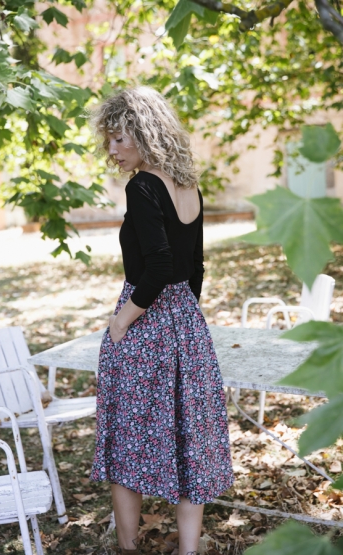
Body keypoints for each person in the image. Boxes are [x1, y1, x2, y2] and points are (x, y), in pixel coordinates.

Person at [89, 87, 234, 555]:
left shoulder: (143, 185)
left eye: (117, 139)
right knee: (189, 437)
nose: (112, 150)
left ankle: (128, 549)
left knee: (125, 439)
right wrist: (182, 318)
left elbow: (159, 266)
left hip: (144, 320)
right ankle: (188, 550)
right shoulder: (189, 184)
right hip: (186, 324)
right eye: (108, 141)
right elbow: (196, 268)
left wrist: (121, 322)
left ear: (143, 133)